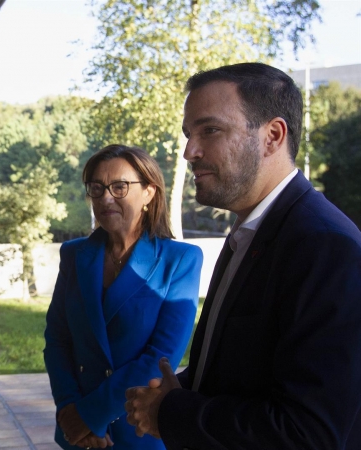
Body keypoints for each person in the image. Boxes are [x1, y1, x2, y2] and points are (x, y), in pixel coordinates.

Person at [124, 62, 361, 449]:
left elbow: (307, 433)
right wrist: (176, 391)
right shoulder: (251, 231)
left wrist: (171, 412)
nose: (189, 151)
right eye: (188, 134)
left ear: (272, 135)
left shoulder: (325, 247)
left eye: (210, 130)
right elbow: (250, 374)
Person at [44, 144, 203, 449]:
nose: (105, 197)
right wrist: (69, 409)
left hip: (139, 430)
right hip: (78, 435)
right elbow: (57, 340)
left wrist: (91, 415)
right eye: (97, 187)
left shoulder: (181, 260)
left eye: (119, 187)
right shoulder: (74, 255)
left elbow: (160, 357)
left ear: (149, 192)